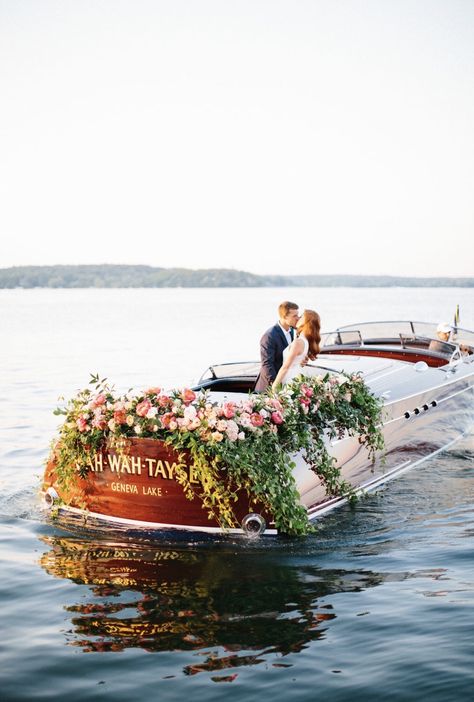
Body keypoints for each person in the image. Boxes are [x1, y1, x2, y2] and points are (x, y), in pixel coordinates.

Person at [254, 301, 300, 392]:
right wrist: (276, 387)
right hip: (268, 389)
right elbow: (267, 364)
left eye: (298, 315)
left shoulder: (291, 331)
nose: (298, 318)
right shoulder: (269, 336)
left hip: (285, 385)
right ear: (284, 317)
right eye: (294, 316)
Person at [272, 309, 321, 390]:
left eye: (301, 317)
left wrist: (274, 386)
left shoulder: (298, 342)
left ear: (306, 322)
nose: (298, 318)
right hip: (295, 378)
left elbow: (286, 367)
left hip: (290, 379)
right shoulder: (305, 341)